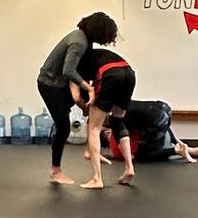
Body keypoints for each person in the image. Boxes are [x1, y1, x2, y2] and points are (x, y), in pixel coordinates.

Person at [37, 11, 118, 184]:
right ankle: (55, 171)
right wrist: (87, 88)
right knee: (63, 127)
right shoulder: (79, 42)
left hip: (61, 83)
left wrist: (83, 95)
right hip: (50, 85)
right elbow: (68, 70)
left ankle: (91, 150)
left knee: (94, 105)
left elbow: (79, 69)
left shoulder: (84, 39)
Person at [75, 44, 137, 189]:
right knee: (117, 120)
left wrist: (85, 109)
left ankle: (97, 179)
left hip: (110, 74)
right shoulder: (97, 54)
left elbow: (80, 94)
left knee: (93, 128)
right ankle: (129, 167)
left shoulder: (76, 64)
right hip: (129, 73)